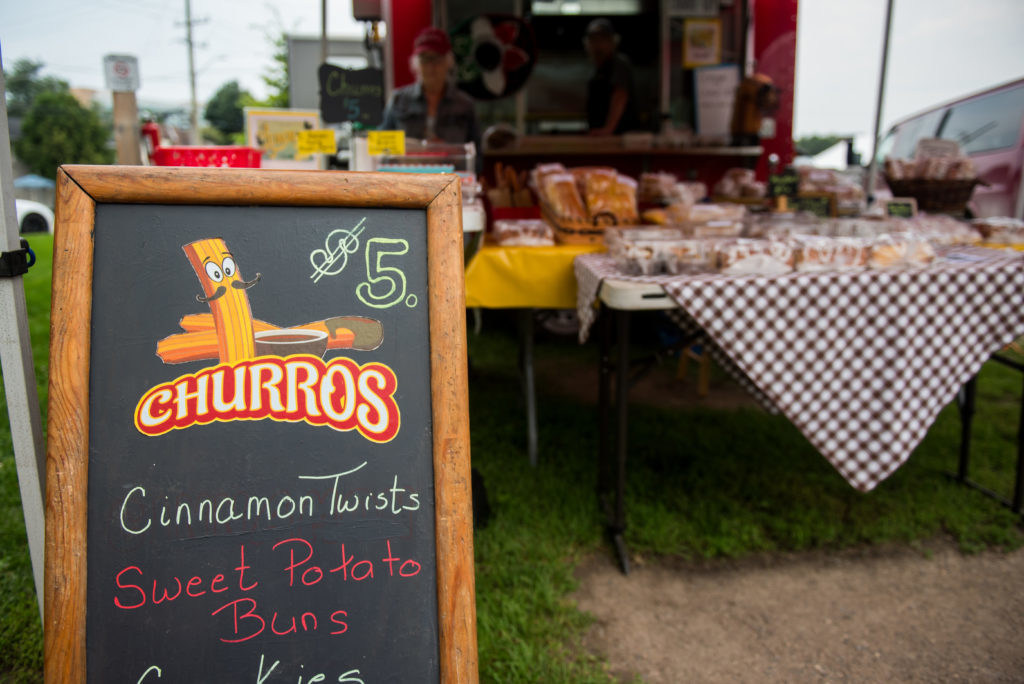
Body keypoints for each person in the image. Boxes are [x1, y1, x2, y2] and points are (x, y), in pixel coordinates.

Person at [380, 27, 481, 155]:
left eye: (437, 59)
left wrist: (448, 151)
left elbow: (477, 156)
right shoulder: (398, 100)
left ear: (448, 62)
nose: (431, 66)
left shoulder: (465, 105)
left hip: (452, 173)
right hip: (408, 172)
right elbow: (380, 147)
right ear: (415, 63)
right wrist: (413, 149)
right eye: (425, 59)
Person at [584, 18, 637, 136]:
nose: (598, 46)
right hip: (602, 136)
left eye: (602, 40)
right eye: (594, 40)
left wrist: (608, 129)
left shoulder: (619, 63)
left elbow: (620, 95)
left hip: (620, 138)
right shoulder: (597, 70)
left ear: (613, 42)